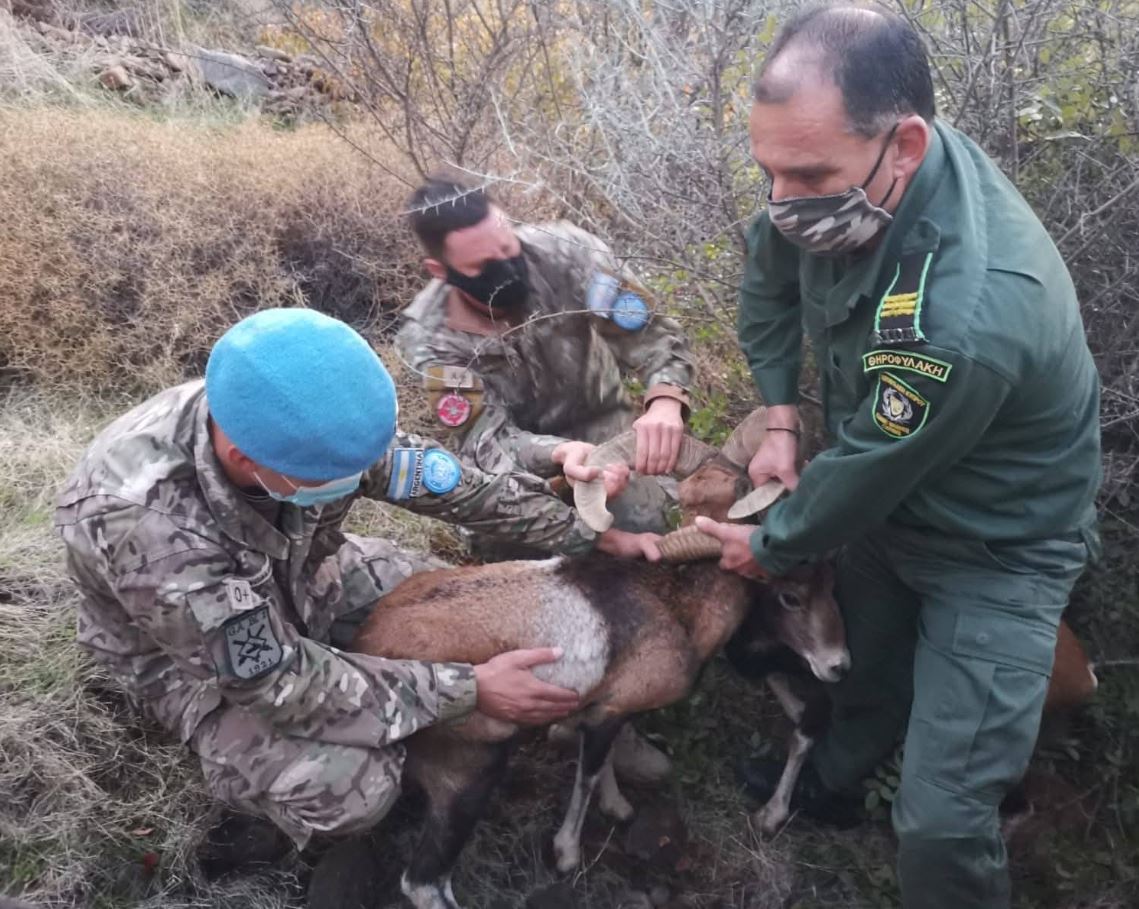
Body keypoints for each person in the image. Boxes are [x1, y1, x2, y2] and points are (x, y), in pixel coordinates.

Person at [694, 7, 1102, 909]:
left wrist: (770, 545)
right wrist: (780, 417)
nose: (782, 200)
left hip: (996, 547)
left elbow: (875, 460)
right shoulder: (839, 173)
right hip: (883, 511)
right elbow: (767, 283)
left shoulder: (969, 311)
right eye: (768, 171)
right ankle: (832, 784)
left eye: (806, 176)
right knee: (865, 672)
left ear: (905, 145)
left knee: (943, 819)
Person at [54, 308, 661, 872]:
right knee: (352, 789)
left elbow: (443, 484)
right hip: (189, 661)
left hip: (307, 575)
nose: (353, 479)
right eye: (331, 477)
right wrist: (468, 689)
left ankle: (386, 692)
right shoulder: (149, 530)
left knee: (457, 603)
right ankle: (260, 807)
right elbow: (273, 680)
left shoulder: (312, 416)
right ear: (243, 460)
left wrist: (581, 530)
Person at [396, 176, 696, 536]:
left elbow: (655, 334)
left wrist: (665, 401)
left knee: (650, 530)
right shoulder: (431, 337)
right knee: (513, 549)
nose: (506, 268)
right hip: (513, 468)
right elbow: (485, 440)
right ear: (440, 271)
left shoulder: (569, 254)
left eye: (508, 248)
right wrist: (559, 454)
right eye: (483, 266)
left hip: (605, 430)